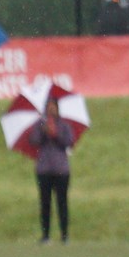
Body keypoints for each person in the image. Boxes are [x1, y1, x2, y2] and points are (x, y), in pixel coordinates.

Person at [33, 97, 75, 244]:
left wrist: (55, 134)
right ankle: (45, 235)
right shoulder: (40, 124)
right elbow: (34, 141)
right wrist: (43, 131)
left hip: (61, 169)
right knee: (45, 203)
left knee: (62, 202)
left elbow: (69, 142)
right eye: (49, 107)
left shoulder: (64, 125)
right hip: (44, 169)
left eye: (53, 107)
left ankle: (64, 234)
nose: (51, 110)